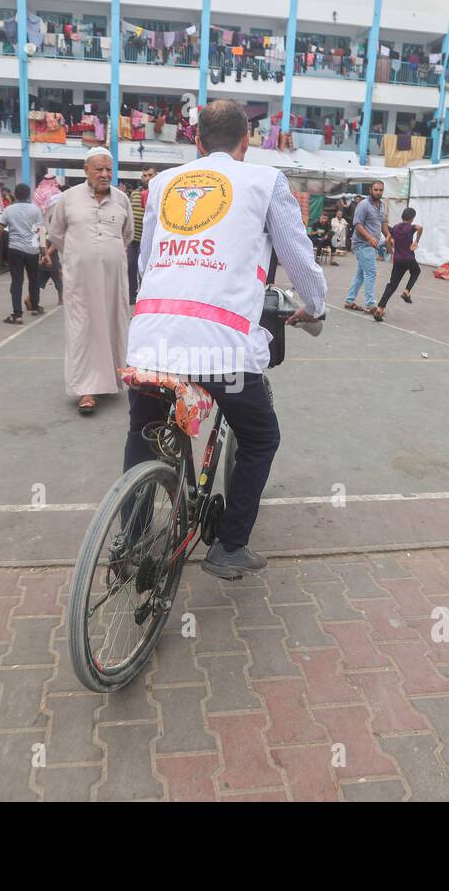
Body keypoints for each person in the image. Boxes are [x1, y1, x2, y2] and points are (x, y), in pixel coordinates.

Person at [127, 99, 327, 580]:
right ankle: (230, 546)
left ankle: (128, 540)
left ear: (196, 142)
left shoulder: (161, 183)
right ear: (247, 142)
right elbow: (298, 258)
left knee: (143, 433)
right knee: (260, 437)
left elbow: (146, 262)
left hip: (152, 337)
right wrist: (315, 308)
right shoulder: (264, 181)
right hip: (223, 348)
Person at [45, 147, 133, 414]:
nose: (105, 174)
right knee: (82, 329)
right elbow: (56, 234)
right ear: (86, 170)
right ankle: (86, 389)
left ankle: (112, 380)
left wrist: (105, 254)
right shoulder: (68, 199)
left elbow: (126, 236)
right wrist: (81, 257)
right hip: (80, 282)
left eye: (109, 169)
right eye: (99, 169)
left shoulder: (121, 200)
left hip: (113, 281)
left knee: (112, 326)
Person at [0, 182, 44, 323]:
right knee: (33, 279)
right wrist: (43, 251)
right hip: (32, 250)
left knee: (17, 281)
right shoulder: (35, 210)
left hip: (15, 249)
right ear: (28, 195)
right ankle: (35, 307)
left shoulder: (9, 210)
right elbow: (40, 231)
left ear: (15, 195)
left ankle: (17, 314)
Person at [344, 180, 391, 312]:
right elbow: (357, 224)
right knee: (371, 273)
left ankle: (349, 300)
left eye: (381, 190)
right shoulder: (363, 205)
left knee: (361, 274)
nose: (378, 192)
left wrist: (388, 236)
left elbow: (383, 223)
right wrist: (369, 237)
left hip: (372, 244)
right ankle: (370, 305)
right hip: (362, 243)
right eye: (376, 189)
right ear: (370, 190)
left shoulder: (382, 205)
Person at [373, 208, 423, 321]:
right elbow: (420, 228)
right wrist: (416, 241)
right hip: (409, 259)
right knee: (416, 271)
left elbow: (387, 240)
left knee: (392, 285)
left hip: (398, 259)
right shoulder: (411, 228)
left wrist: (391, 251)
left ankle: (380, 308)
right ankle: (407, 290)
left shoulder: (395, 227)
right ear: (412, 218)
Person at [126, 166, 155, 305]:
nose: (147, 178)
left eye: (150, 175)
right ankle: (131, 296)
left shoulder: (159, 193)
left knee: (146, 269)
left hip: (151, 241)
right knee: (130, 266)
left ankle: (145, 297)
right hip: (134, 239)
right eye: (145, 175)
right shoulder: (135, 194)